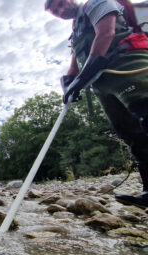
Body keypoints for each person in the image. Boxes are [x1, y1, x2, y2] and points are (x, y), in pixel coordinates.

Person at [45, 0, 148, 208]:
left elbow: (106, 34)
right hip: (103, 86)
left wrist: (81, 80)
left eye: (61, 4)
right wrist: (68, 85)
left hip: (129, 68)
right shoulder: (75, 32)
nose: (61, 11)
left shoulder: (97, 3)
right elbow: (75, 64)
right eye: (56, 11)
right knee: (131, 135)